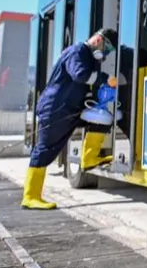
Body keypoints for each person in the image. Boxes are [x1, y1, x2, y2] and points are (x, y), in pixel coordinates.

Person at [22, 28, 117, 210]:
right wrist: (105, 79)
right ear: (98, 40)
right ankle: (30, 196)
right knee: (46, 148)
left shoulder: (91, 58)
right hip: (56, 108)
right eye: (107, 48)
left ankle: (89, 158)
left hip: (72, 108)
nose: (106, 53)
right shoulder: (77, 51)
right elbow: (80, 75)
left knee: (102, 120)